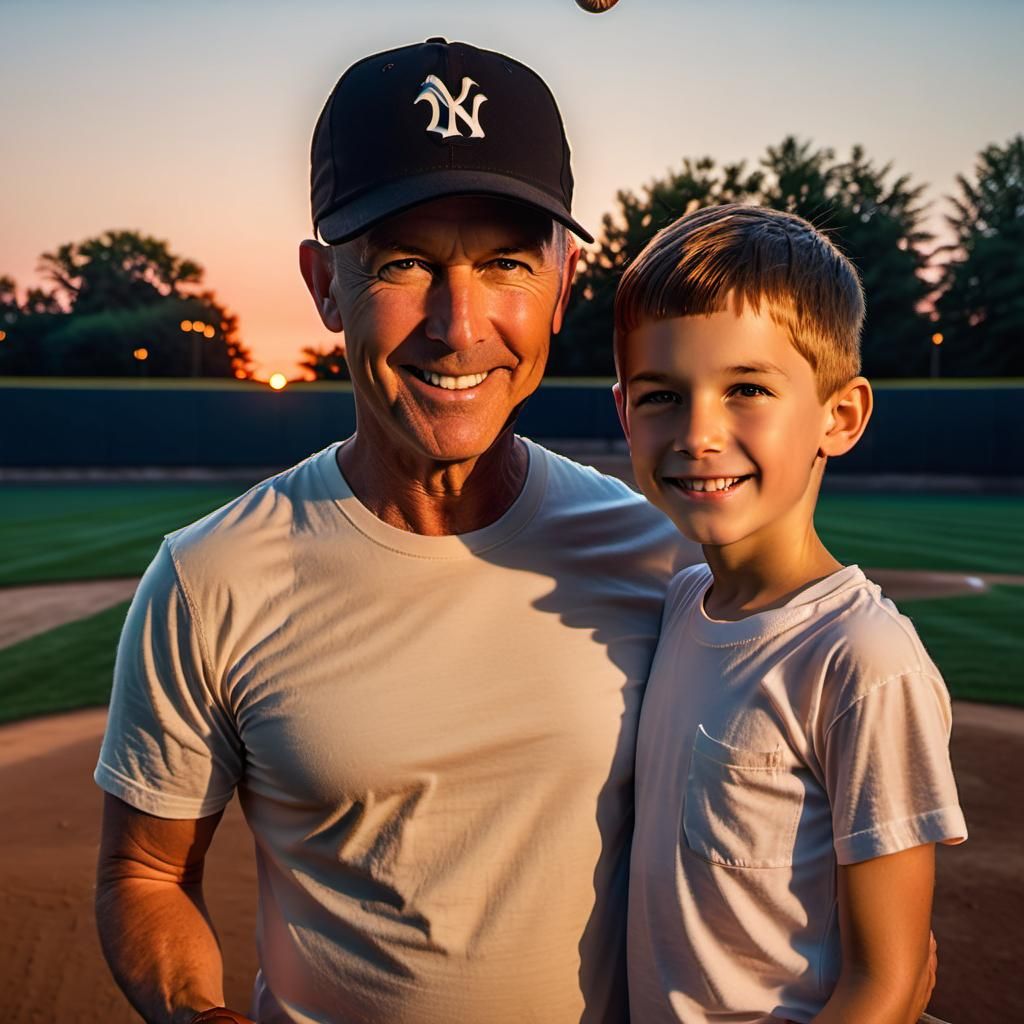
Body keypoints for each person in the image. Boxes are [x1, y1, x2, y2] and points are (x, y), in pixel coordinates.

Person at [93, 38, 696, 1024]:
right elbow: (143, 871)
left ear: (563, 280)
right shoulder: (209, 579)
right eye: (404, 262)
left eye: (504, 261)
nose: (458, 326)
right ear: (323, 283)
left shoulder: (654, 558)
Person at [612, 204, 967, 1024]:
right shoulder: (676, 606)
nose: (698, 433)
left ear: (839, 417)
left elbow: (887, 982)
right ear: (624, 413)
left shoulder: (862, 658)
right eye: (662, 395)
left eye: (747, 389)